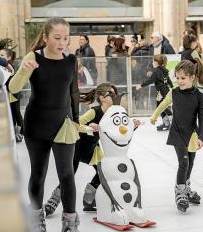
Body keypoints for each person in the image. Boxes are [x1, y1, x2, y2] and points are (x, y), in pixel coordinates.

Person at [9, 17, 86, 232]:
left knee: (67, 175)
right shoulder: (34, 58)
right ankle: (36, 222)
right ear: (45, 37)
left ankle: (70, 228)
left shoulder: (71, 60)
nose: (62, 42)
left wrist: (76, 121)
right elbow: (13, 89)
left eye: (66, 38)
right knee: (39, 174)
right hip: (37, 125)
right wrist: (23, 71)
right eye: (57, 38)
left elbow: (73, 92)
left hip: (63, 125)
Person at [44, 83, 140, 215]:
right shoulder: (94, 111)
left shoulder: (113, 113)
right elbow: (75, 123)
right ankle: (52, 202)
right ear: (102, 97)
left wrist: (133, 126)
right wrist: (89, 125)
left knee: (103, 172)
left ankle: (88, 200)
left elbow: (119, 131)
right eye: (110, 94)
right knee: (68, 177)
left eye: (114, 94)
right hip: (77, 146)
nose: (114, 97)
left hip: (92, 149)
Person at [150, 60, 203, 213]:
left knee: (191, 162)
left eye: (183, 78)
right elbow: (163, 104)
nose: (179, 81)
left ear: (192, 77)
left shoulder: (199, 96)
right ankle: (180, 192)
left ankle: (186, 188)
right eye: (178, 78)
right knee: (184, 163)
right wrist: (155, 116)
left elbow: (202, 118)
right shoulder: (173, 92)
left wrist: (201, 137)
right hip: (177, 133)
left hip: (192, 134)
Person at [136, 54, 173, 131]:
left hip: (162, 91)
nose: (152, 62)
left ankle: (172, 122)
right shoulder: (164, 70)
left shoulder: (156, 71)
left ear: (156, 62)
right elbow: (168, 79)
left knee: (163, 107)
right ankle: (166, 123)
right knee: (160, 106)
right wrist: (172, 86)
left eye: (153, 61)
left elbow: (150, 81)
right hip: (164, 90)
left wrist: (141, 85)